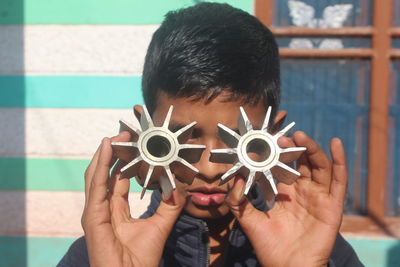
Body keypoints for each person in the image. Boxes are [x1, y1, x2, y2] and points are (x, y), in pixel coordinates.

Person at [58, 3, 363, 266]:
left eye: (238, 141)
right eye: (180, 138)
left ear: (271, 135)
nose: (208, 169)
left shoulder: (320, 253)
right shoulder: (100, 255)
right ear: (143, 133)